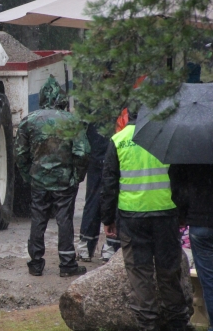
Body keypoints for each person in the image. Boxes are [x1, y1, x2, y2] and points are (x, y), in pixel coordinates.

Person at [100, 107, 190, 331]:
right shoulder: (167, 137)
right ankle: (177, 322)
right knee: (169, 271)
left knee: (140, 273)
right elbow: (180, 180)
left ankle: (147, 323)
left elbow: (109, 184)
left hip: (132, 217)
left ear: (126, 115)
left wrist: (108, 218)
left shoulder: (118, 140)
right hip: (165, 214)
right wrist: (182, 214)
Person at [15, 76, 91, 277]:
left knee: (38, 218)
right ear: (62, 99)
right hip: (64, 182)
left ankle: (36, 263)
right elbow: (83, 153)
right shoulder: (72, 121)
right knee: (64, 219)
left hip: (39, 180)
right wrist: (77, 176)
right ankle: (67, 264)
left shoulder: (29, 121)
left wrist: (28, 176)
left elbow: (20, 154)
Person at [170, 164, 213, 331]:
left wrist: (182, 214)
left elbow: (177, 185)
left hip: (200, 221)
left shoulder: (189, 149)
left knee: (209, 281)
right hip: (199, 220)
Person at [76, 122, 120, 262]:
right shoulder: (122, 102)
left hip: (96, 154)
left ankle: (85, 246)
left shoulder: (91, 103)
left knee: (93, 199)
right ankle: (110, 247)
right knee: (114, 198)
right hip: (114, 152)